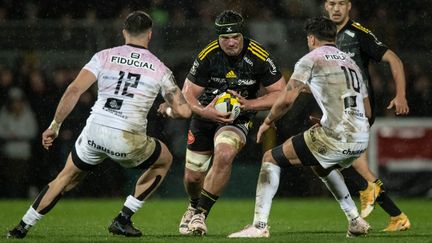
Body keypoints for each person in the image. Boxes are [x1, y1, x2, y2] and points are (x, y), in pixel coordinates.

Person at [7, 11, 191, 239]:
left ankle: (21, 227)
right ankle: (123, 218)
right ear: (150, 35)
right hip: (127, 138)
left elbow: (74, 90)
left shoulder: (104, 56)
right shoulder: (159, 68)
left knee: (65, 178)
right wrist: (167, 108)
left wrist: (55, 125)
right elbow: (184, 111)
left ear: (124, 32)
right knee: (165, 159)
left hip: (95, 131)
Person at [229, 16, 371, 238]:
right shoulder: (351, 62)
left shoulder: (311, 59)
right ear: (334, 37)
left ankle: (259, 227)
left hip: (336, 136)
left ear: (311, 39)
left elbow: (286, 99)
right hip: (361, 138)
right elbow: (367, 111)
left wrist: (267, 121)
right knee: (321, 165)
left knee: (270, 158)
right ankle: (355, 220)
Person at [178, 10, 286, 236]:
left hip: (239, 118)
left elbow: (280, 93)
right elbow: (187, 93)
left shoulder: (259, 55)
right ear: (218, 38)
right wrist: (204, 112)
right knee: (193, 177)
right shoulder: (209, 54)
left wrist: (249, 104)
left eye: (235, 37)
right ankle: (193, 204)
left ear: (242, 35)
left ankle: (200, 215)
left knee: (225, 153)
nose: (230, 42)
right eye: (225, 38)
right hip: (205, 117)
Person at [325, 0, 410, 231]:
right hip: (337, 109)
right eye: (331, 3)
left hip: (358, 108)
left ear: (349, 6)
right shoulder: (324, 33)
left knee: (323, 158)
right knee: (341, 162)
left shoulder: (358, 34)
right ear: (325, 6)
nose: (336, 8)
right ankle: (397, 216)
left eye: (340, 3)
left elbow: (395, 59)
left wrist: (400, 95)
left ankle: (367, 188)